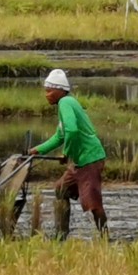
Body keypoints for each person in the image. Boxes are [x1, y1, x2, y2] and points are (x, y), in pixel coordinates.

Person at [30, 67, 108, 239]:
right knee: (61, 189)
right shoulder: (67, 103)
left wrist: (66, 154)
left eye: (49, 91)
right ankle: (61, 234)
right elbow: (60, 136)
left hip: (90, 158)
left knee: (94, 204)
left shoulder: (65, 103)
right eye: (46, 91)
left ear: (60, 90)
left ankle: (105, 238)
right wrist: (37, 150)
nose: (46, 95)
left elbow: (72, 131)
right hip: (81, 161)